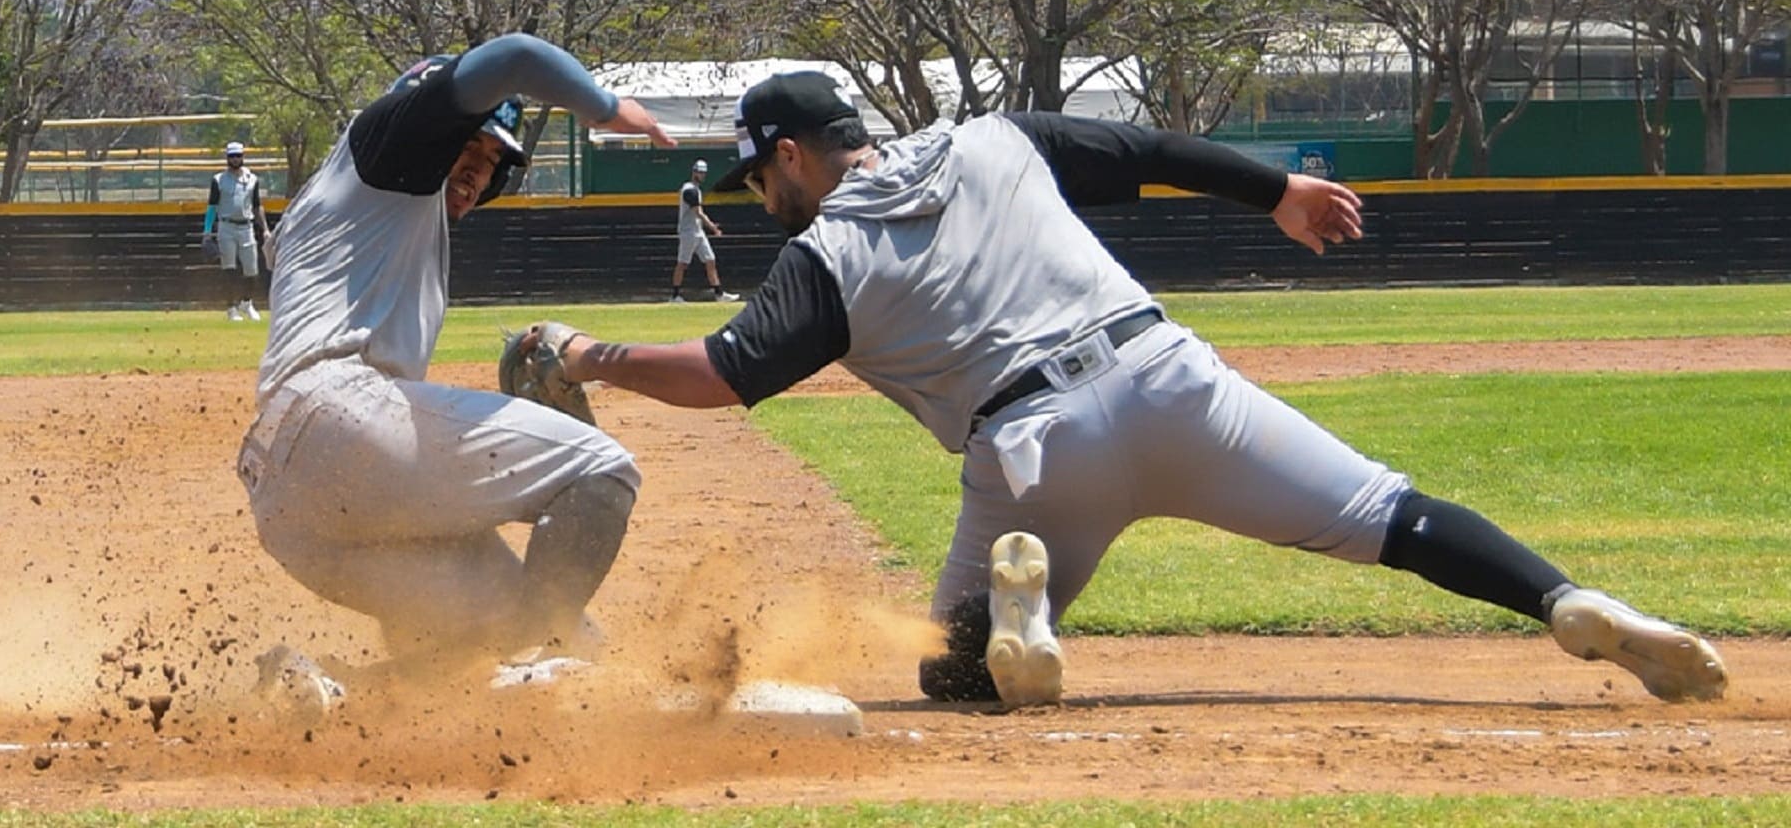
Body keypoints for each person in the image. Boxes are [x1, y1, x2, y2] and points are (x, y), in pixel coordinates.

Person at [517, 70, 1729, 708]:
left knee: (955, 674)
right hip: (1170, 381)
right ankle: (1568, 600)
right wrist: (1281, 193)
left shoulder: (826, 254)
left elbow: (721, 377)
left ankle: (1019, 629)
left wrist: (586, 358)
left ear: (791, 155)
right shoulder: (995, 138)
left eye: (758, 175)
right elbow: (1144, 150)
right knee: (1394, 517)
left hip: (1037, 455)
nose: (760, 198)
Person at [236, 33, 673, 692]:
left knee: (506, 627)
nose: (479, 167)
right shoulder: (386, 153)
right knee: (602, 468)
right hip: (340, 413)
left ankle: (332, 691)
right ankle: (548, 660)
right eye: (470, 145)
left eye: (494, 159)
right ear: (431, 129)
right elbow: (517, 58)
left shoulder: (359, 210)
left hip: (292, 502)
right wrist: (606, 107)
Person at [203, 141, 269, 321]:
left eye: (238, 155)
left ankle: (246, 303)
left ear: (243, 157)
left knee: (251, 269)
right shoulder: (218, 180)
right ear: (227, 158)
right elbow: (212, 207)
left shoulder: (252, 179)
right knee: (229, 269)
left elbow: (257, 206)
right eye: (232, 156)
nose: (235, 159)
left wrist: (265, 229)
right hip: (226, 226)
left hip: (246, 226)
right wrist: (207, 232)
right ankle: (231, 307)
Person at [670, 158, 739, 303]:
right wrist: (713, 227)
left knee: (710, 260)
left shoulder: (696, 190)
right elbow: (698, 212)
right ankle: (675, 296)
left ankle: (719, 294)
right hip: (688, 232)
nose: (701, 175)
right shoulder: (689, 190)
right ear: (694, 172)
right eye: (699, 172)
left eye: (703, 173)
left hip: (698, 231)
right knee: (683, 263)